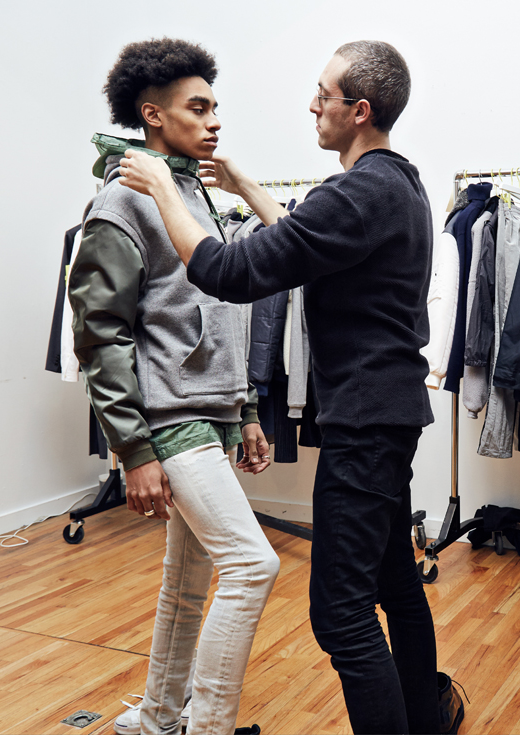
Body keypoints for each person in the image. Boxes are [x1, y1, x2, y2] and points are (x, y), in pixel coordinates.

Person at [118, 41, 463, 735]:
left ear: (358, 110)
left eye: (322, 94)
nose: (312, 105)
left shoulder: (357, 192)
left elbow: (227, 269)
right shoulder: (398, 183)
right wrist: (243, 185)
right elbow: (311, 249)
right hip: (391, 416)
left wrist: (160, 185)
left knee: (340, 615)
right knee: (397, 586)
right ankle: (425, 717)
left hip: (363, 425)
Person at [68, 38, 278, 735]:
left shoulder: (193, 193)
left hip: (211, 412)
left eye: (216, 105)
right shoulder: (121, 203)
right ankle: (207, 726)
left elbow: (221, 312)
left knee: (188, 583)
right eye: (199, 107)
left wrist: (244, 408)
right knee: (252, 566)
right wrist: (134, 451)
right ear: (153, 115)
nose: (214, 119)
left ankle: (159, 716)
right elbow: (101, 335)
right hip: (169, 419)